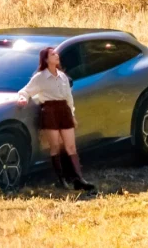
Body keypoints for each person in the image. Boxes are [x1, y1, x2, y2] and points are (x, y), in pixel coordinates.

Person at [17, 46, 96, 192]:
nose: (56, 55)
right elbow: (25, 91)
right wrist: (22, 99)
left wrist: (72, 115)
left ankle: (79, 179)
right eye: (53, 54)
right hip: (49, 111)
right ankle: (62, 179)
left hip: (64, 111)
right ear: (46, 59)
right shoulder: (40, 77)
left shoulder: (63, 76)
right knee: (55, 146)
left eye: (56, 53)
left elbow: (69, 98)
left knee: (71, 146)